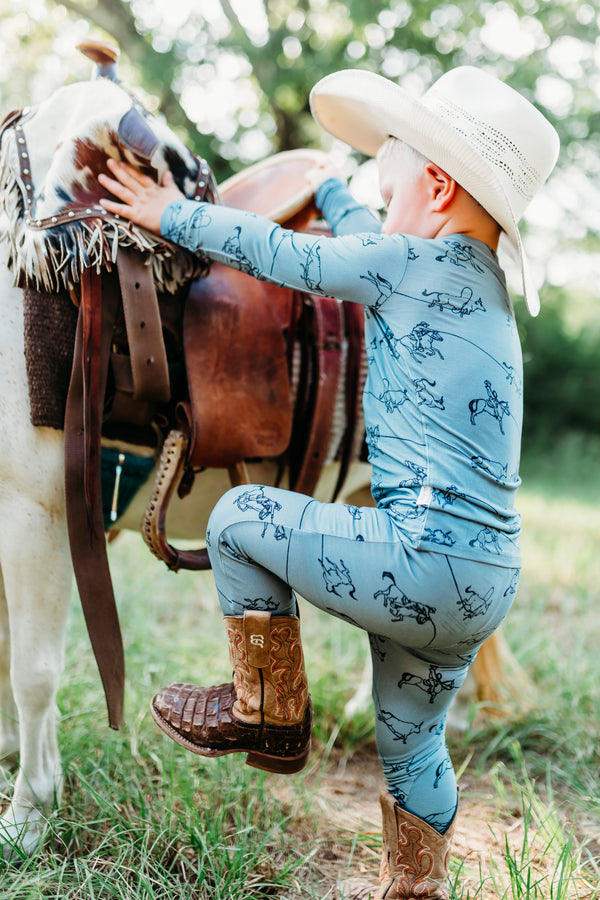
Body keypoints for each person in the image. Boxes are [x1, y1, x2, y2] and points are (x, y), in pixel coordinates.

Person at [98, 65, 559, 899]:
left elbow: (282, 254)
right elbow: (356, 233)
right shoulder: (480, 286)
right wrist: (336, 189)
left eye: (390, 197)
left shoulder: (406, 262)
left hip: (418, 559)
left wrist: (173, 215)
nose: (379, 217)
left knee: (238, 517)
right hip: (485, 583)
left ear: (439, 187)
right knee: (413, 746)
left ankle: (269, 710)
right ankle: (418, 889)